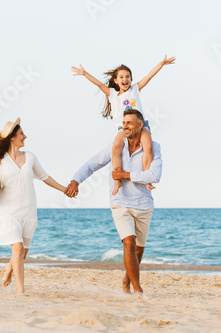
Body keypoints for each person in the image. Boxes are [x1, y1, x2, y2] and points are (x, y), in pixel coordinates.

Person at [65, 110, 162, 295]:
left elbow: (155, 176)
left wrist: (125, 175)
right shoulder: (116, 146)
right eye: (124, 123)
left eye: (129, 123)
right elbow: (92, 164)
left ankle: (126, 280)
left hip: (144, 204)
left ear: (140, 125)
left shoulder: (154, 147)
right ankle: (137, 289)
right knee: (128, 243)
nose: (125, 126)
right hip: (120, 202)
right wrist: (76, 180)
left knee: (139, 251)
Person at [0, 118, 66, 294]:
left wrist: (64, 190)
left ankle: (9, 271)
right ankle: (21, 291)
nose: (25, 136)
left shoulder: (30, 157)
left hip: (28, 211)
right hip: (7, 211)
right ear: (11, 137)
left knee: (21, 253)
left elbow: (45, 177)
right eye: (21, 133)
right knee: (17, 248)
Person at [71, 55, 174, 195]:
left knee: (148, 146)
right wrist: (84, 73)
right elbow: (99, 84)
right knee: (116, 148)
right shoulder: (113, 94)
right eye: (121, 77)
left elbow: (149, 77)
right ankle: (118, 179)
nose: (125, 79)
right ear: (115, 80)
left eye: (128, 76)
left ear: (131, 79)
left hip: (141, 126)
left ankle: (147, 179)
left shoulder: (135, 90)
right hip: (122, 128)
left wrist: (161, 64)